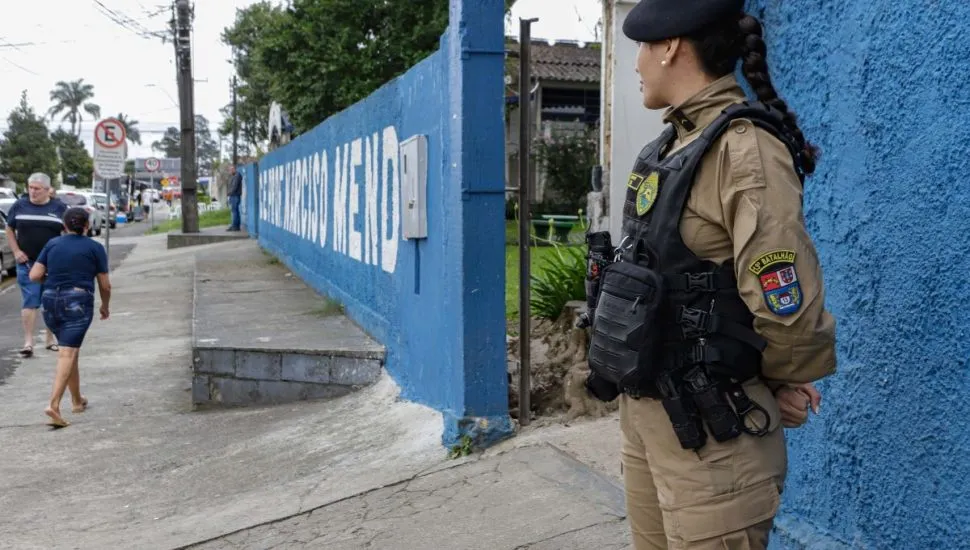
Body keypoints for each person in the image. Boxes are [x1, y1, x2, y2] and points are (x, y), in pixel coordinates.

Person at [582, 2, 838, 548]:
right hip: (651, 417)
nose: (637, 64)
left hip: (714, 436)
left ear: (671, 45)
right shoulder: (670, 145)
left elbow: (784, 296)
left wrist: (777, 379)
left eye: (644, 48)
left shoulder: (744, 149)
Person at [29, 207, 111, 428]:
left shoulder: (53, 244)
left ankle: (76, 400)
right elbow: (105, 284)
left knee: (70, 349)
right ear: (87, 226)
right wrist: (105, 305)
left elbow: (34, 275)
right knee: (68, 352)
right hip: (77, 301)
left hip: (50, 302)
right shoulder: (95, 248)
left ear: (64, 226)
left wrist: (54, 279)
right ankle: (53, 405)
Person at [4, 173, 66, 357]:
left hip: (52, 264)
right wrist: (16, 251)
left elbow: (68, 232)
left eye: (37, 189)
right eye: (30, 187)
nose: (32, 191)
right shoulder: (19, 206)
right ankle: (28, 342)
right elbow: (9, 228)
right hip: (27, 262)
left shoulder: (59, 208)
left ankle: (50, 339)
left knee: (50, 302)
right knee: (30, 301)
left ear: (47, 190)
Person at [227, 164, 243, 231]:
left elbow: (234, 187)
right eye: (229, 170)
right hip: (232, 196)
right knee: (234, 211)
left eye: (230, 170)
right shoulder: (234, 176)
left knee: (235, 211)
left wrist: (229, 193)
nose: (230, 171)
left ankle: (235, 226)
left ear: (234, 169)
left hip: (235, 196)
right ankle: (234, 225)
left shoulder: (237, 176)